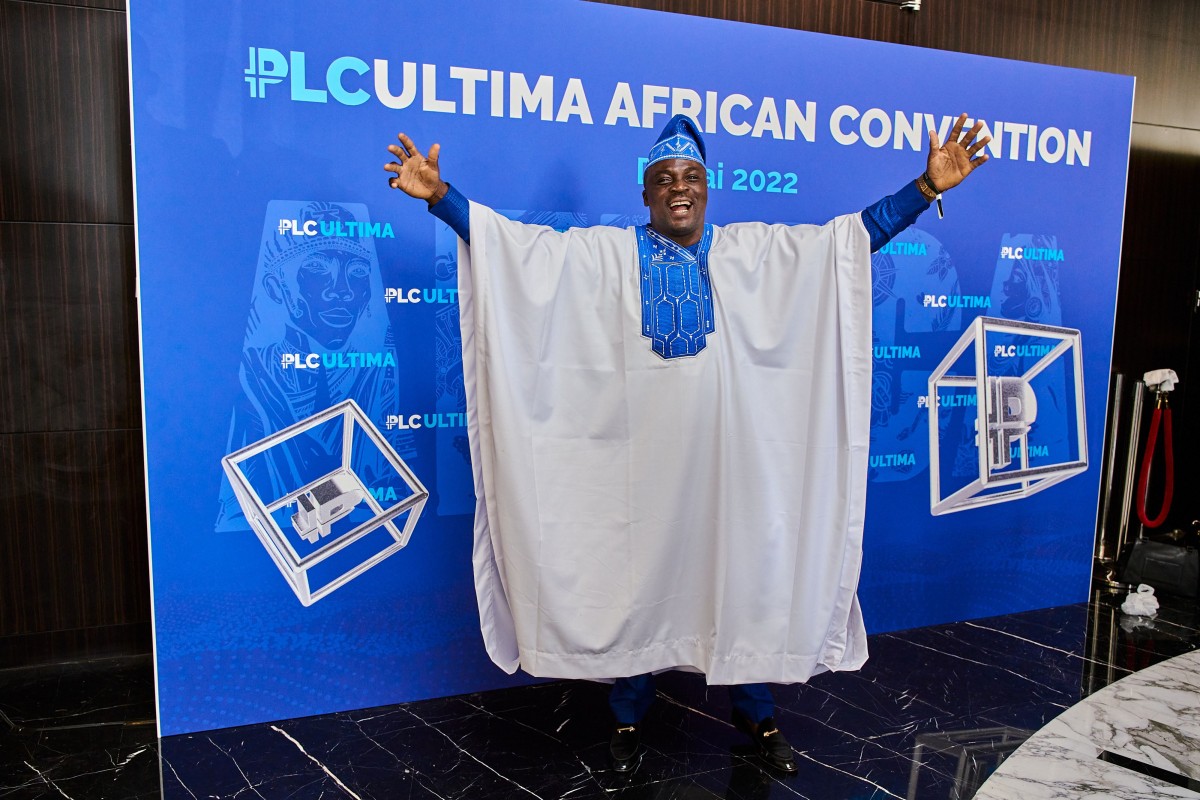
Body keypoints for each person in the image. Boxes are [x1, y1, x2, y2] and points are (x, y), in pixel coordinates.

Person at [384, 114, 989, 774]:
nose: (680, 187)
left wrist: (926, 188)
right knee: (637, 583)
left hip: (729, 468)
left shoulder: (753, 255)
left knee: (741, 580)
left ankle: (756, 713)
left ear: (707, 188)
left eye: (692, 176)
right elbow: (518, 254)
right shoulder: (606, 257)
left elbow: (847, 244)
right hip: (639, 472)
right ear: (645, 194)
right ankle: (627, 715)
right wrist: (442, 198)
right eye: (665, 178)